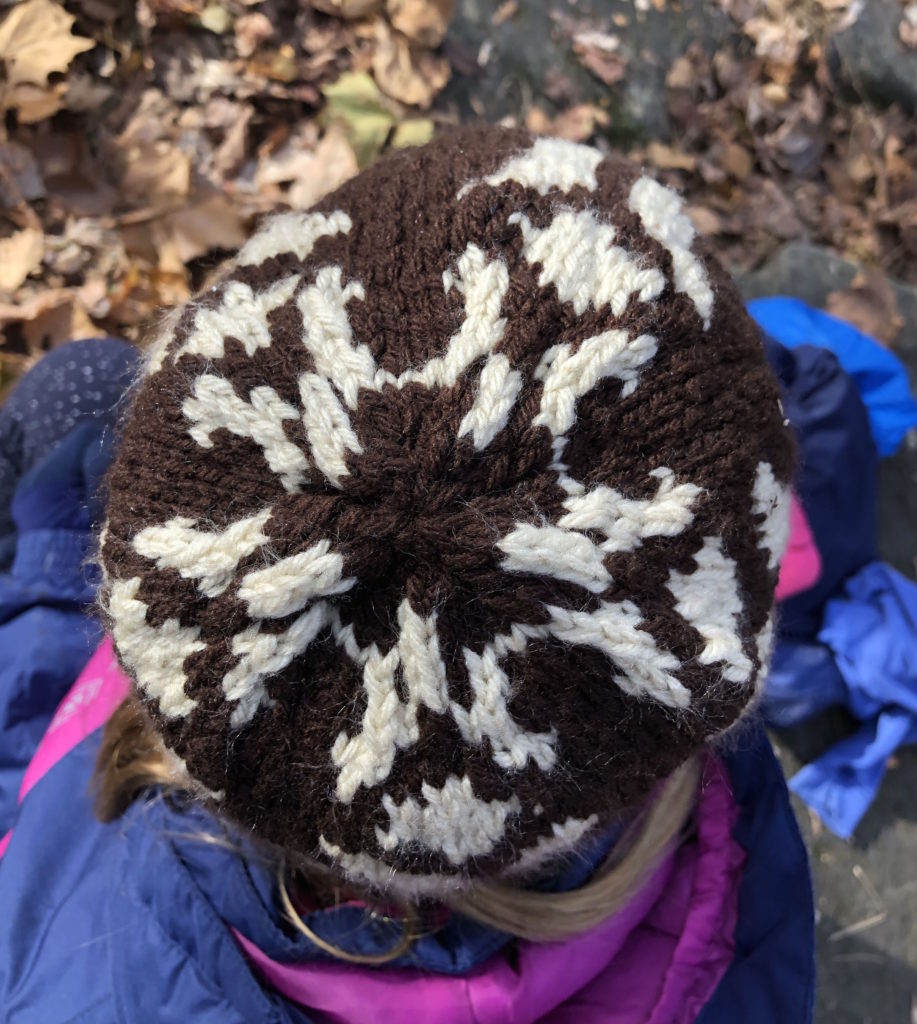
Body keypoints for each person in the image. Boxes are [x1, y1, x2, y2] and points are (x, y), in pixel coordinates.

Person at [0, 127, 814, 1024]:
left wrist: (42, 568)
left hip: (80, 859)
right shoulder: (730, 875)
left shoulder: (88, 973)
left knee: (75, 390)